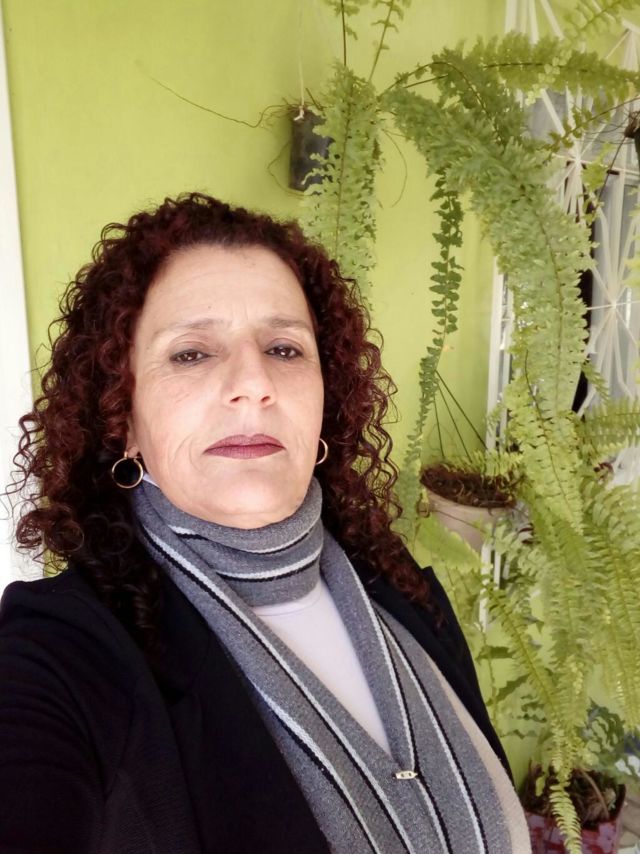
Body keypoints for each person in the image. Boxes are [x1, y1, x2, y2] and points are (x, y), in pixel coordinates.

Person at [0, 192, 529, 853]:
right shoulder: (64, 653)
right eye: (191, 353)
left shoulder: (413, 599)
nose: (253, 382)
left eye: (284, 348)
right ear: (123, 417)